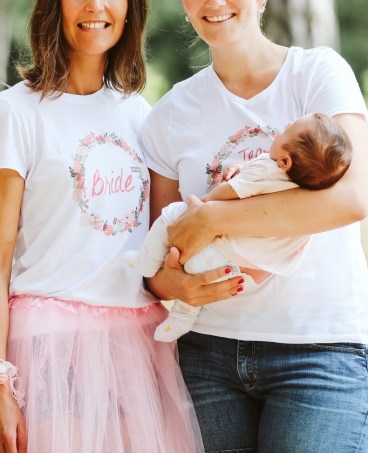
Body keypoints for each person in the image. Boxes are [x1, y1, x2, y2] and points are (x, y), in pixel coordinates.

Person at [0, 0, 234, 453]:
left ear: (130, 5)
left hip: (135, 349)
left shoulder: (141, 114)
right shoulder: (15, 113)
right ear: (54, 1)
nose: (94, 4)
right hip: (48, 347)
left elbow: (155, 242)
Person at [139, 0, 368, 452]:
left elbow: (353, 198)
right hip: (207, 360)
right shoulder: (171, 113)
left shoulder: (318, 75)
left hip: (318, 354)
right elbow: (156, 249)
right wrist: (168, 286)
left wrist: (217, 217)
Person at [132, 112, 353, 342]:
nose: (286, 124)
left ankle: (146, 262)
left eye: (290, 129)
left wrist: (205, 207)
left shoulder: (268, 170)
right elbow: (256, 175)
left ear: (285, 162)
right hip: (237, 264)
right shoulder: (294, 187)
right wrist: (240, 166)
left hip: (221, 247)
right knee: (196, 273)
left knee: (170, 216)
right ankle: (182, 318)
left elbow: (231, 191)